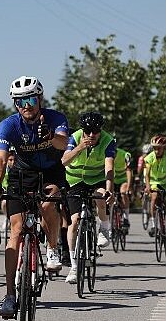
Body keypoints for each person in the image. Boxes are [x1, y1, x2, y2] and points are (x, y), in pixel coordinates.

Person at [0, 76, 69, 318]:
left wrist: (50, 137)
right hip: (22, 175)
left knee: (47, 207)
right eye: (20, 101)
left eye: (31, 99)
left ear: (40, 99)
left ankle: (53, 248)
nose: (26, 105)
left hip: (52, 173)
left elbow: (63, 144)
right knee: (16, 229)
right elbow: (0, 158)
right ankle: (10, 294)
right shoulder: (8, 125)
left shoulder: (55, 118)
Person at [61, 112, 115, 284]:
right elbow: (64, 161)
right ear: (83, 130)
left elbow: (109, 168)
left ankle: (105, 228)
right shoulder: (75, 137)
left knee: (100, 197)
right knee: (74, 221)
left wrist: (109, 190)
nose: (92, 135)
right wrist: (79, 147)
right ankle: (75, 266)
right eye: (88, 131)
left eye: (96, 131)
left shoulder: (108, 140)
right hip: (75, 180)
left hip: (97, 178)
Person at [145, 135, 166, 237]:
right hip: (154, 183)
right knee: (154, 197)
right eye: (154, 148)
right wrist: (148, 186)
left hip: (165, 182)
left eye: (159, 148)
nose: (156, 150)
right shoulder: (149, 157)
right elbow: (147, 174)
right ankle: (154, 224)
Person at [113, 146, 133, 229]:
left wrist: (129, 186)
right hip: (112, 179)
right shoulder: (103, 154)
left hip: (123, 179)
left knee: (123, 193)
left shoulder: (125, 155)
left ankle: (125, 217)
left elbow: (128, 171)